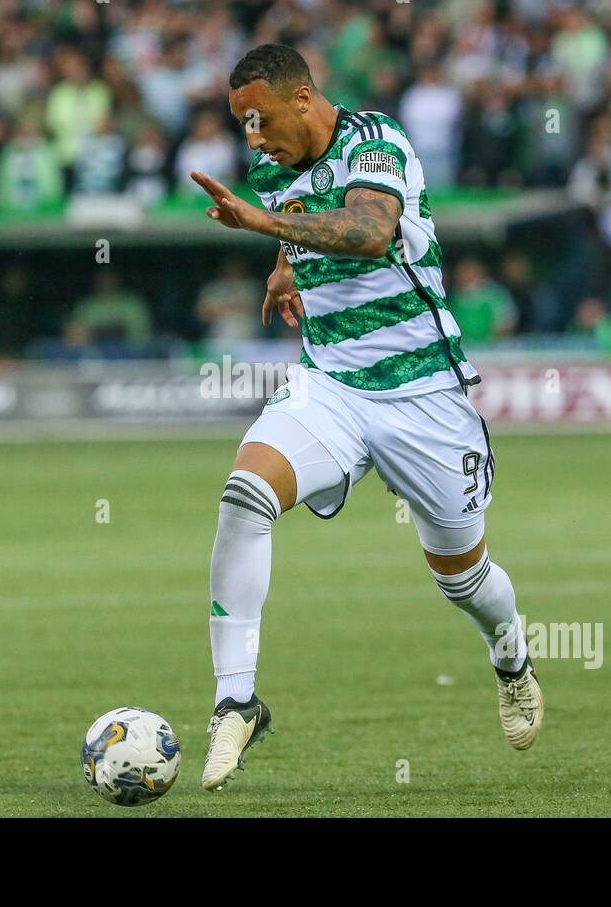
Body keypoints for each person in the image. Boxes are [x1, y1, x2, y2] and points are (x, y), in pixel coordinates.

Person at [188, 44, 542, 793]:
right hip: (331, 386)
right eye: (242, 125)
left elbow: (370, 230)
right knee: (244, 497)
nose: (252, 137)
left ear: (305, 99)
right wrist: (284, 266)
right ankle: (236, 701)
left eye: (260, 119)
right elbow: (298, 219)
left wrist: (261, 228)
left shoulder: (375, 141)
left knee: (464, 578)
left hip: (422, 395)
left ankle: (510, 656)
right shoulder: (270, 168)